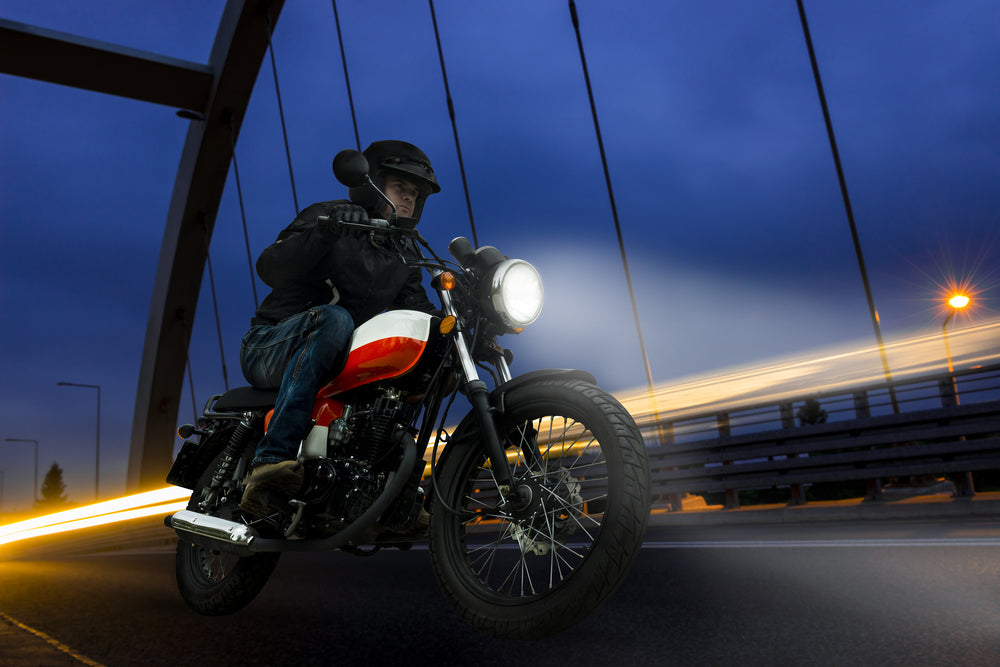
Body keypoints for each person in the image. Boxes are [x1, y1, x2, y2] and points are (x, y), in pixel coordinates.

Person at [238, 140, 441, 517]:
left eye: (415, 194)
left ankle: (396, 494)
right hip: (270, 344)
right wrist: (325, 233)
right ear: (371, 183)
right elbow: (271, 268)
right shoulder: (330, 217)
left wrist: (457, 327)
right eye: (401, 188)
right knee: (336, 319)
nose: (409, 200)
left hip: (336, 360)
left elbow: (417, 309)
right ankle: (272, 459)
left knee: (425, 354)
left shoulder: (403, 253)